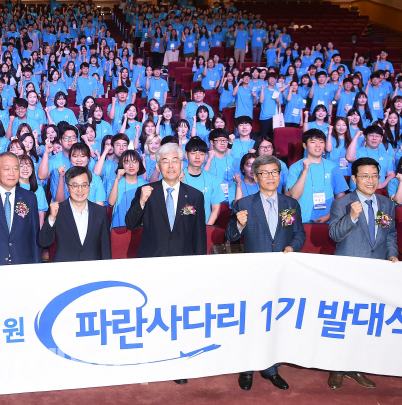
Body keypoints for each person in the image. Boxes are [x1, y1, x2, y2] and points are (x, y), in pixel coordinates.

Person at [225, 154, 305, 392]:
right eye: (265, 173)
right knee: (252, 320)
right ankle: (247, 368)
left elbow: (299, 233)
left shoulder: (291, 204)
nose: (270, 177)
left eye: (274, 172)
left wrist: (292, 247)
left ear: (280, 175)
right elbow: (230, 236)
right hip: (254, 272)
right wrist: (238, 224)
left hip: (281, 271)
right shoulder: (243, 204)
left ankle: (272, 368)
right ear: (256, 176)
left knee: (275, 319)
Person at [327, 157, 399, 390]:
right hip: (348, 272)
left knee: (365, 321)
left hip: (376, 271)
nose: (370, 180)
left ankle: (355, 366)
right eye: (365, 176)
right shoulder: (342, 203)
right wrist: (351, 217)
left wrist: (392, 254)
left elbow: (390, 233)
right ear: (354, 178)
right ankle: (337, 368)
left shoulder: (386, 203)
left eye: (374, 176)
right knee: (344, 321)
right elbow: (334, 235)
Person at [125, 142, 207, 257]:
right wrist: (141, 201)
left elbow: (200, 235)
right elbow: (131, 224)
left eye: (175, 161)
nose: (171, 166)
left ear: (181, 165)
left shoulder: (195, 196)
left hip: (183, 259)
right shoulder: (146, 192)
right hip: (152, 258)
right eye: (165, 161)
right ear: (158, 167)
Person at [38, 166, 111, 261]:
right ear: (67, 187)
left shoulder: (100, 212)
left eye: (84, 185)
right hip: (64, 266)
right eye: (75, 186)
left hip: (92, 266)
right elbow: (44, 242)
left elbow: (105, 247)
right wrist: (51, 218)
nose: (80, 190)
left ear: (89, 186)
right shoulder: (57, 210)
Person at [287, 129, 348, 223]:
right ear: (305, 145)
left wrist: (329, 216)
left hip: (328, 221)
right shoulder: (295, 167)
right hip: (302, 220)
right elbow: (294, 196)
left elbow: (341, 197)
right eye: (313, 142)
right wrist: (304, 171)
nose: (318, 145)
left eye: (321, 142)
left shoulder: (333, 167)